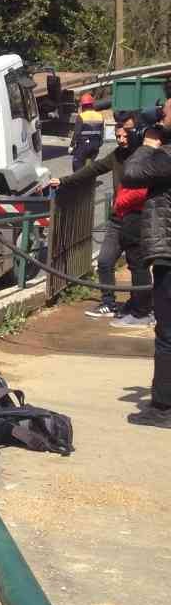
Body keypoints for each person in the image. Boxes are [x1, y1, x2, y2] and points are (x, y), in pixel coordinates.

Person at [75, 110, 153, 324]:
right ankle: (109, 303)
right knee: (105, 261)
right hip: (118, 219)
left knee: (138, 265)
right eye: (118, 136)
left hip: (138, 218)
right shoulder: (117, 155)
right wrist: (63, 181)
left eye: (126, 134)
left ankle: (142, 308)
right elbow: (94, 169)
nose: (121, 139)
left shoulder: (145, 156)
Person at [124, 118, 171, 425]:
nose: (160, 118)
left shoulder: (165, 157)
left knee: (167, 334)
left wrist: (149, 144)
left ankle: (163, 408)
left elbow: (131, 174)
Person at [71, 93, 107, 171]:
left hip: (83, 145)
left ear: (83, 106)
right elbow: (102, 133)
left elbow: (77, 133)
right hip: (95, 145)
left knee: (77, 165)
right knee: (90, 166)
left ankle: (80, 178)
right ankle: (89, 177)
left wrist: (71, 146)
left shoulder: (81, 116)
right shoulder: (100, 116)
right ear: (92, 105)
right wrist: (99, 144)